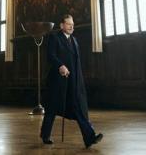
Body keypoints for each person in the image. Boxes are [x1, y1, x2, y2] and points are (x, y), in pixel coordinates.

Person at [40, 14, 103, 148]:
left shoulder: (74, 41)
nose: (71, 26)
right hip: (57, 83)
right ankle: (45, 135)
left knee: (79, 109)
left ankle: (89, 138)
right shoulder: (54, 37)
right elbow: (51, 56)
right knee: (51, 109)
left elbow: (76, 63)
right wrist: (60, 66)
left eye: (72, 24)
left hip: (73, 83)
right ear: (62, 25)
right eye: (68, 24)